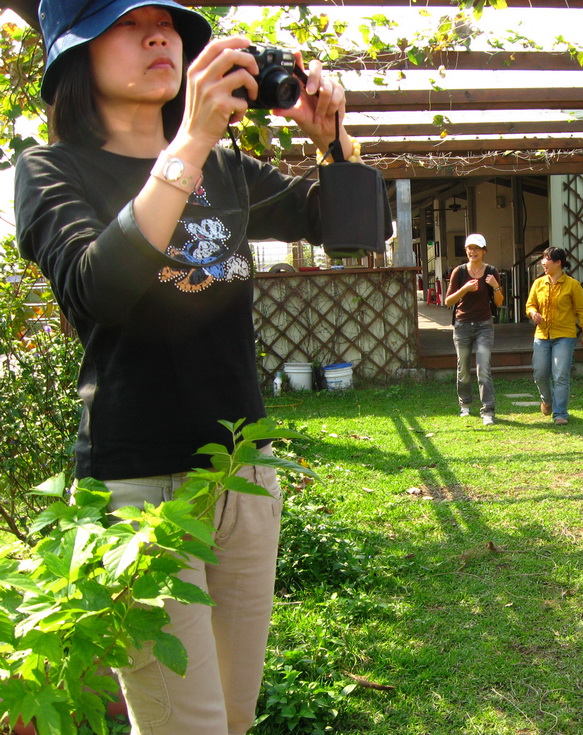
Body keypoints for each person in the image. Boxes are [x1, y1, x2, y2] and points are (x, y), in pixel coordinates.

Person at [14, 1, 353, 732]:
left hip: (243, 473)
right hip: (141, 493)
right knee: (184, 726)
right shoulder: (49, 170)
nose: (159, 34)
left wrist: (333, 142)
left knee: (232, 716)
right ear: (74, 55)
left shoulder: (224, 170)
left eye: (166, 21)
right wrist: (192, 140)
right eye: (128, 23)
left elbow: (349, 230)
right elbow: (98, 288)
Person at [525, 247, 583, 425]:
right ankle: (547, 400)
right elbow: (529, 305)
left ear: (558, 262)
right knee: (540, 373)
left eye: (546, 259)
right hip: (542, 335)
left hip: (565, 336)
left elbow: (581, 311)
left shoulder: (572, 285)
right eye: (542, 259)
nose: (543, 263)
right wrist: (533, 313)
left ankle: (560, 413)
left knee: (560, 374)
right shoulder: (538, 283)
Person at [444, 233, 504, 425]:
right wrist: (464, 290)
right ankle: (465, 405)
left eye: (477, 248)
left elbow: (499, 302)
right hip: (462, 326)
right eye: (470, 248)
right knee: (463, 368)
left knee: (483, 368)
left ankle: (488, 411)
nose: (473, 251)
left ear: (484, 251)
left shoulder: (491, 271)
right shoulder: (459, 272)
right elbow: (448, 301)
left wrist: (495, 286)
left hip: (484, 326)